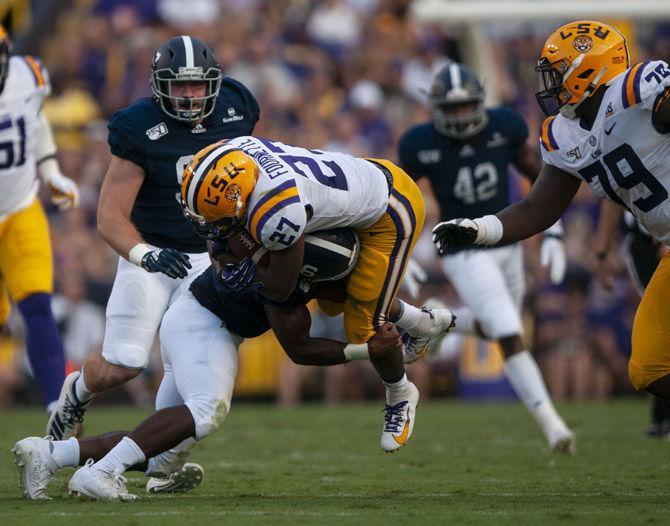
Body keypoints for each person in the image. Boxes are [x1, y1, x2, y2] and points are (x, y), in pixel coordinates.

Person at [13, 228, 450, 500]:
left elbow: (370, 296)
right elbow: (298, 348)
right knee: (206, 411)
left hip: (196, 321)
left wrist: (419, 320)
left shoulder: (314, 257)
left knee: (159, 450)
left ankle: (49, 454)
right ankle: (103, 473)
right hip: (202, 323)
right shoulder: (281, 278)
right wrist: (363, 352)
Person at [432, 20, 670, 401]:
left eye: (558, 72)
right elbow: (537, 209)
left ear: (588, 68)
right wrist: (480, 229)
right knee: (649, 368)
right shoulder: (563, 133)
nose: (550, 82)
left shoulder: (638, 89)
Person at [46, 35, 260, 448]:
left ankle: (162, 462)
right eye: (178, 84)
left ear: (214, 83)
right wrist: (147, 254)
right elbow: (109, 217)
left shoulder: (236, 108)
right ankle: (75, 393)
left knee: (190, 366)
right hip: (153, 254)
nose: (188, 94)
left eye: (197, 84)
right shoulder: (139, 126)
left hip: (209, 257)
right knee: (124, 361)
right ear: (159, 84)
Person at [179, 136, 452, 449]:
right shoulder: (234, 154)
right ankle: (421, 323)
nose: (212, 227)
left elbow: (281, 289)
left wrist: (246, 262)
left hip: (389, 211)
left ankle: (401, 392)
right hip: (355, 189)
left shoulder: (277, 212)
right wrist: (230, 250)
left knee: (363, 328)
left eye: (219, 219)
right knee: (333, 292)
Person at [397, 62, 575, 453]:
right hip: (462, 249)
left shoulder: (504, 126)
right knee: (510, 335)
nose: (461, 116)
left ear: (480, 102)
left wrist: (554, 229)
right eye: (453, 109)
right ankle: (553, 425)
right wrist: (400, 249)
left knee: (502, 327)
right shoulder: (418, 142)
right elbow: (395, 196)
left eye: (467, 107)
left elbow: (543, 177)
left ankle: (438, 321)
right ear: (436, 109)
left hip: (507, 243)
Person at [0, 25, 79, 411]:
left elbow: (36, 119)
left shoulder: (26, 75)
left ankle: (57, 409)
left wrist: (50, 171)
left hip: (20, 208)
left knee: (37, 305)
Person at [594, 200, 670, 436]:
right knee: (658, 331)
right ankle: (662, 414)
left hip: (660, 235)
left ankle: (663, 415)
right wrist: (601, 250)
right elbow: (611, 194)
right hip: (644, 241)